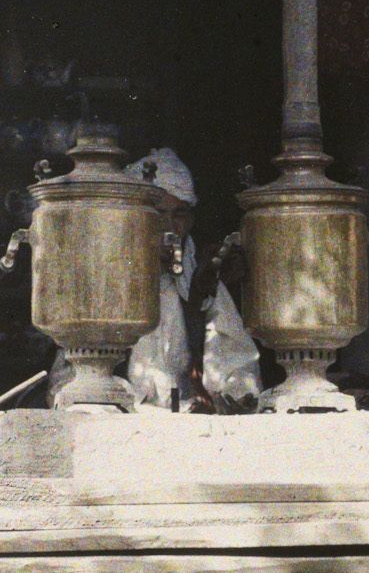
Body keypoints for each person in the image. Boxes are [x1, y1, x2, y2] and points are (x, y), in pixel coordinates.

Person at [50, 148, 262, 411]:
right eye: (159, 213)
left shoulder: (200, 282)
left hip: (184, 421)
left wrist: (232, 396)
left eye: (179, 214)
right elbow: (66, 383)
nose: (169, 226)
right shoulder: (104, 283)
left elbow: (236, 364)